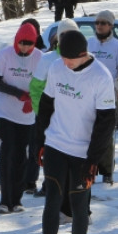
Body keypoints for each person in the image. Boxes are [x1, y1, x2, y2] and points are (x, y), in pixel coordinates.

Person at [28, 29, 117, 234]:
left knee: (79, 205)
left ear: (83, 54)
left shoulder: (100, 76)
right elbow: (46, 105)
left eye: (71, 59)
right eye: (63, 57)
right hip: (56, 143)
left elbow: (105, 123)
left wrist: (93, 160)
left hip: (82, 152)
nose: (66, 63)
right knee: (52, 200)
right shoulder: (56, 67)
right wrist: (39, 141)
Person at [0, 21, 43, 213]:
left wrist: (33, 100)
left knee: (22, 156)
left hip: (27, 115)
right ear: (16, 40)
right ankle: (5, 200)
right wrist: (18, 93)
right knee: (7, 153)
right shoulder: (5, 54)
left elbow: (43, 84)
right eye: (22, 43)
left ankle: (17, 199)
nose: (25, 47)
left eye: (29, 44)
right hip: (5, 112)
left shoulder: (39, 57)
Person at [28, 18, 79, 200]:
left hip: (74, 116)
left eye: (71, 34)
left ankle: (72, 185)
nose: (67, 38)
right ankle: (49, 183)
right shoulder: (48, 59)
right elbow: (35, 89)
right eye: (63, 34)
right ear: (57, 37)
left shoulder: (84, 60)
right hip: (50, 115)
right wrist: (40, 113)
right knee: (50, 151)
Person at [87, 9, 118, 183]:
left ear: (111, 26)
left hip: (110, 95)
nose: (99, 26)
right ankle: (89, 167)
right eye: (97, 23)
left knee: (106, 134)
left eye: (103, 23)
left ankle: (106, 171)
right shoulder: (89, 43)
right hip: (88, 95)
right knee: (88, 132)